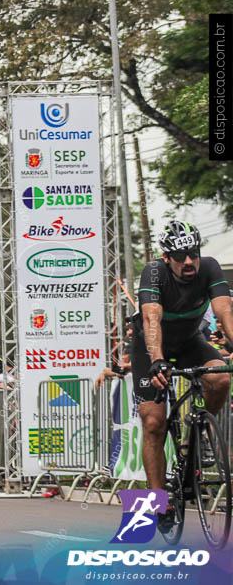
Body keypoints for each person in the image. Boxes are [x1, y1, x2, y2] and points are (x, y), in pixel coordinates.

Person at [131, 221, 233, 531]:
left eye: (193, 254)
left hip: (189, 342)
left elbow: (225, 310)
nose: (188, 262)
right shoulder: (154, 273)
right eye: (180, 256)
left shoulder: (210, 268)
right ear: (166, 257)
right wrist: (158, 360)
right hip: (150, 347)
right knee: (153, 423)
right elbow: (151, 319)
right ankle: (157, 502)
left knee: (221, 378)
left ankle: (200, 429)